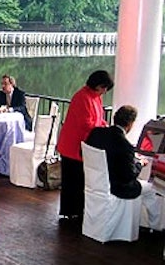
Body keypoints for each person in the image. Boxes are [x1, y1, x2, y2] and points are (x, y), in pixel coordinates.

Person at [86, 105, 163, 230]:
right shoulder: (125, 146)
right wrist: (140, 164)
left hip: (95, 183)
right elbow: (129, 176)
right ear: (130, 124)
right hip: (118, 188)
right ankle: (156, 228)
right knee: (152, 189)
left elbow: (82, 153)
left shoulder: (96, 133)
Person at [57, 70, 114, 220]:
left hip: (84, 144)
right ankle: (71, 211)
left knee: (80, 179)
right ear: (97, 85)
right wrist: (101, 129)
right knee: (72, 179)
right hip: (73, 144)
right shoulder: (82, 97)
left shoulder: (96, 97)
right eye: (104, 88)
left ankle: (79, 209)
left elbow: (99, 118)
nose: (105, 91)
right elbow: (85, 123)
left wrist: (105, 126)